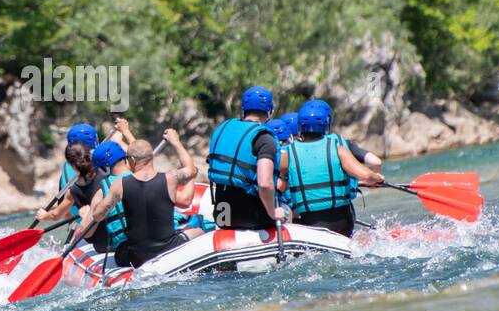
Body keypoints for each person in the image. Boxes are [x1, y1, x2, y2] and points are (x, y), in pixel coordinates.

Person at [87, 130, 203, 268]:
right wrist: (175, 141)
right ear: (151, 158)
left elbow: (97, 215)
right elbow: (191, 170)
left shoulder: (119, 185)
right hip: (169, 248)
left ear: (132, 160)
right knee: (200, 228)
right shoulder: (170, 178)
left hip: (136, 256)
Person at [282, 99, 384, 236]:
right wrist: (377, 178)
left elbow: (272, 179)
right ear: (326, 124)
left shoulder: (288, 154)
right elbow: (366, 175)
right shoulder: (338, 150)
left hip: (308, 223)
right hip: (341, 222)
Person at [206, 86, 286, 230]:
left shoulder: (224, 129)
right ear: (270, 111)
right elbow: (264, 183)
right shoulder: (264, 138)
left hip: (222, 215)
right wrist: (273, 212)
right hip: (253, 217)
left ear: (243, 109)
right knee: (284, 212)